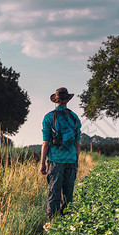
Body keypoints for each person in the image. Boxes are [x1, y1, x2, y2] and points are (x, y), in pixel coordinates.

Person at [41, 87, 81, 220]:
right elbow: (77, 144)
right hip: (71, 159)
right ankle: (67, 222)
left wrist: (42, 164)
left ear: (56, 100)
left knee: (54, 192)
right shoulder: (74, 117)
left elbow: (45, 143)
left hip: (55, 160)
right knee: (68, 194)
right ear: (67, 100)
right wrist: (76, 162)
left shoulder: (48, 117)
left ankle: (52, 223)